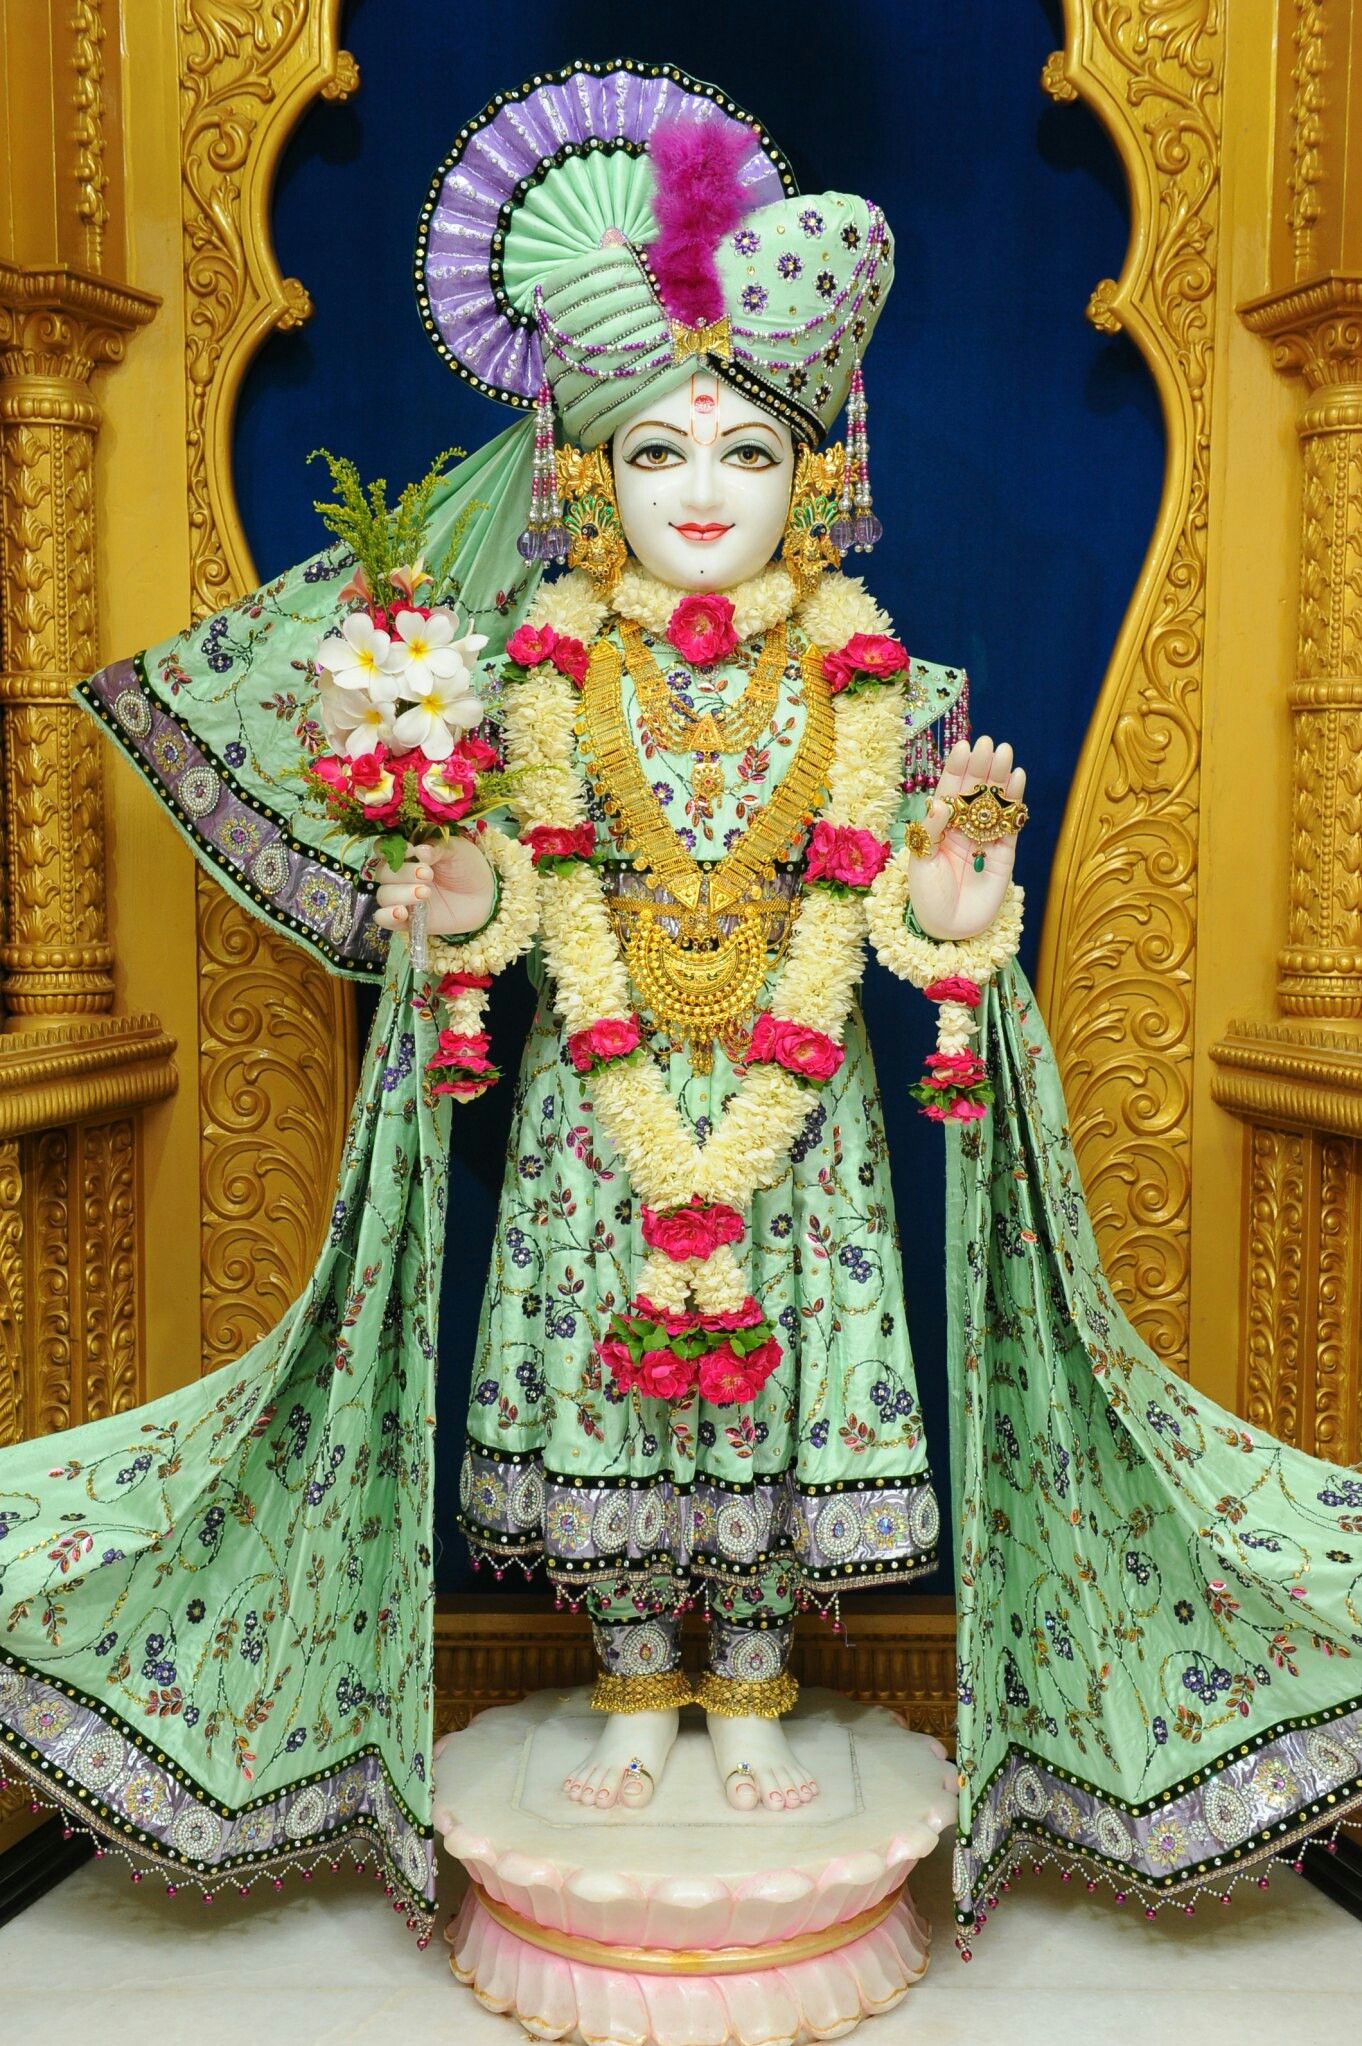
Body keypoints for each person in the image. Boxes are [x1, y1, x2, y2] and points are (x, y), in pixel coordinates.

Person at [1, 63, 1359, 1960]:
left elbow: (903, 907)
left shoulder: (887, 680)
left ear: (816, 475)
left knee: (779, 1392)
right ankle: (634, 1680)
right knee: (607, 1385)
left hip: (789, 1131)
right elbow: (496, 898)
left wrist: (960, 903)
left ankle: (750, 1678)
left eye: (740, 450)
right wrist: (457, 894)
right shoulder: (516, 673)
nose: (700, 491)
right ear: (582, 475)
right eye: (655, 452)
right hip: (594, 1111)